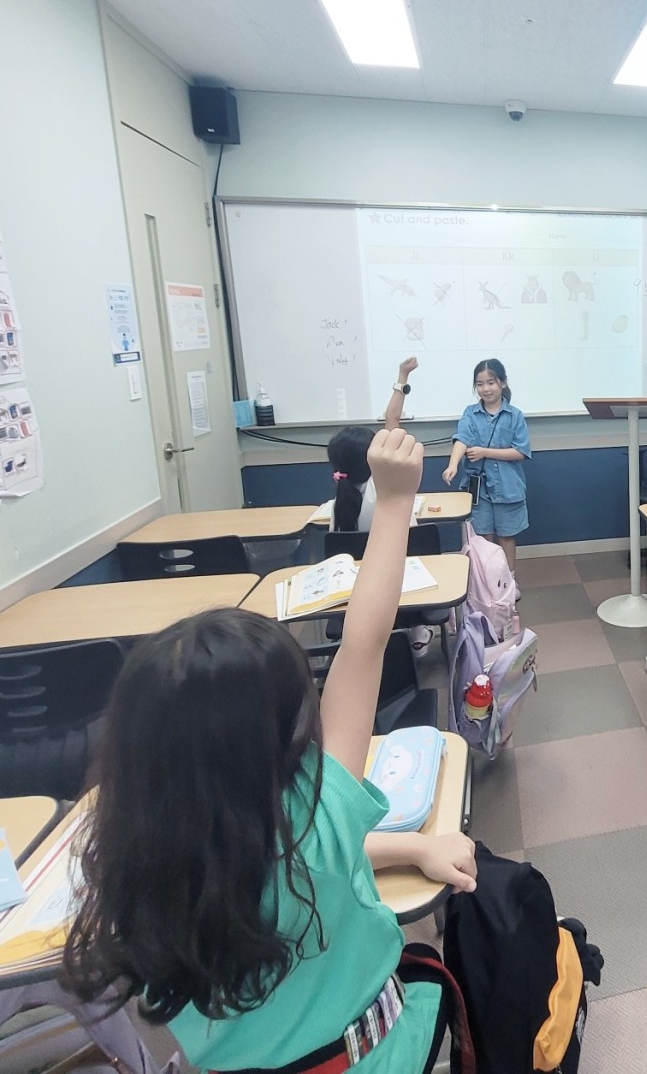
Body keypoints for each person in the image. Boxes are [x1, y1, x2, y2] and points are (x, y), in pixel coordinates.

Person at [63, 429, 478, 1073]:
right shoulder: (317, 814)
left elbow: (261, 855)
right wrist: (396, 504)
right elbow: (363, 647)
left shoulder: (132, 860)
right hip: (374, 1057)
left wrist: (414, 846)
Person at [442, 358, 530, 572]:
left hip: (508, 487)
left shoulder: (515, 415)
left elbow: (520, 451)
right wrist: (452, 464)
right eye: (480, 384)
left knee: (507, 536)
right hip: (479, 489)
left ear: (502, 383)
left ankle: (508, 582)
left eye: (491, 382)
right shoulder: (470, 413)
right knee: (483, 537)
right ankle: (489, 583)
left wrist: (484, 452)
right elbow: (461, 438)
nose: (485, 389)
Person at [327, 357, 419, 532]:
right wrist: (403, 375)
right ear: (372, 457)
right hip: (405, 558)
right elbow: (393, 420)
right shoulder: (384, 485)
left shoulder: (340, 502)